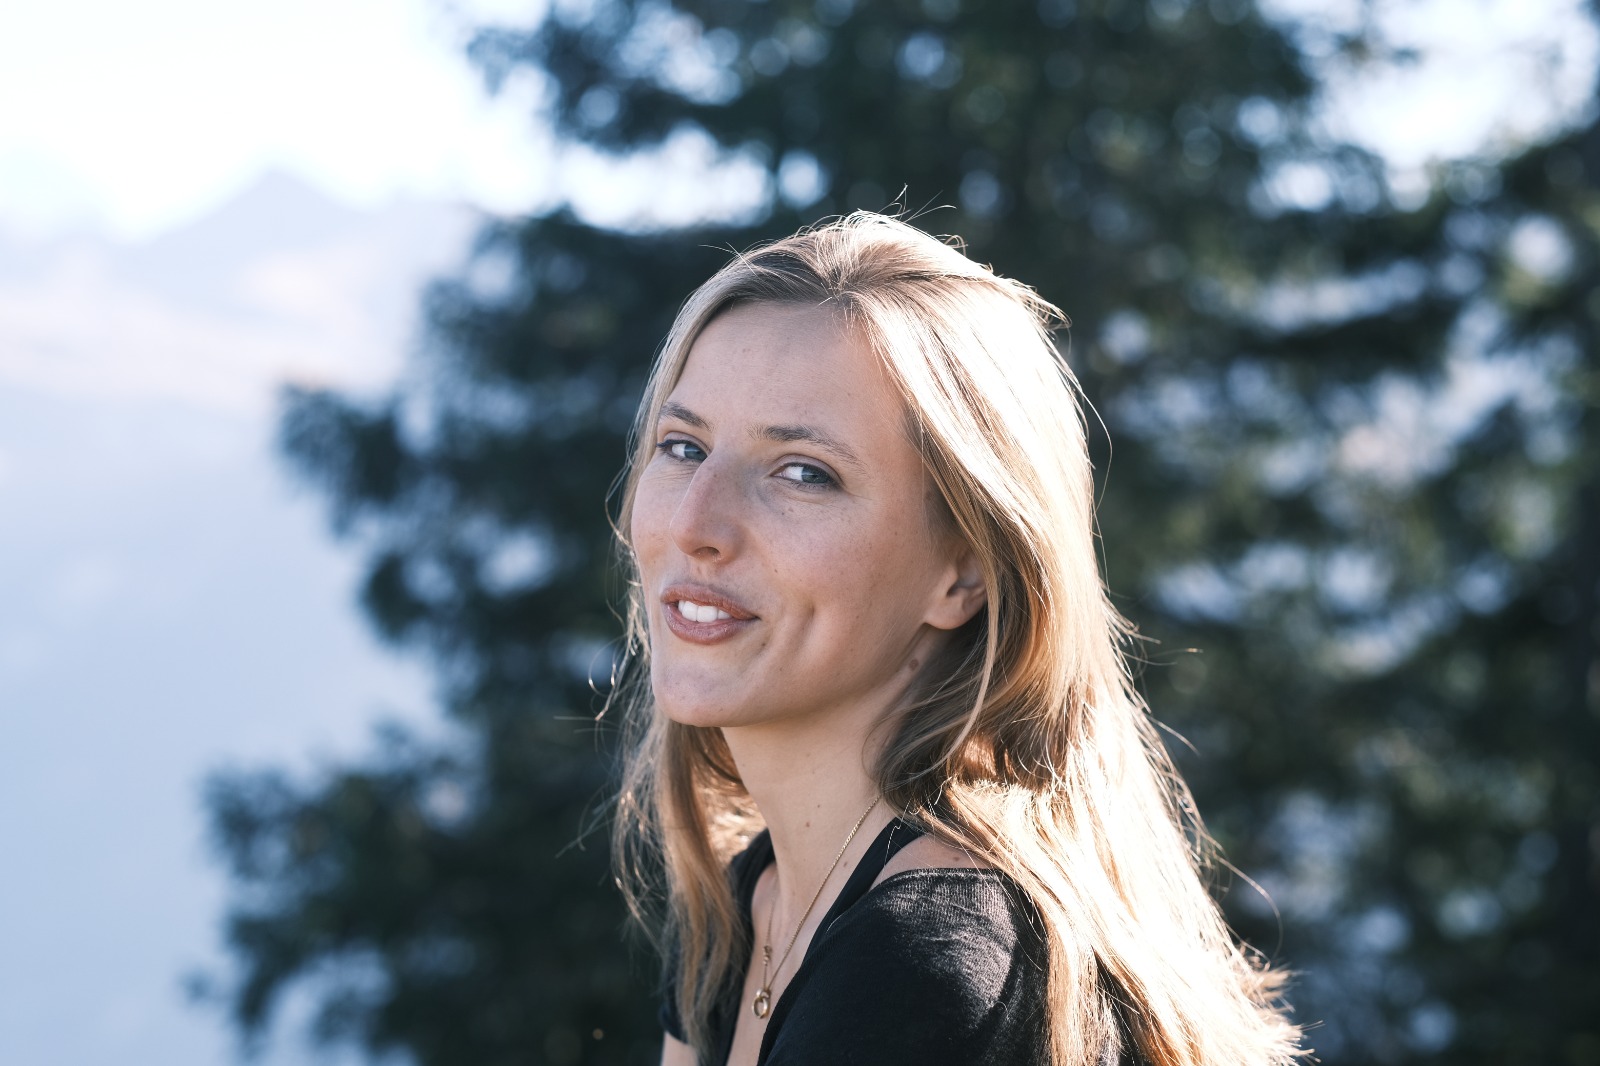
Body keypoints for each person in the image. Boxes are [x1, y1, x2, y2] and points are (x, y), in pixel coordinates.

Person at [607, 212, 1301, 1066]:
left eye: (803, 473)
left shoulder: (921, 975)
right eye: (682, 447)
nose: (693, 523)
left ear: (964, 572)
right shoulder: (753, 905)